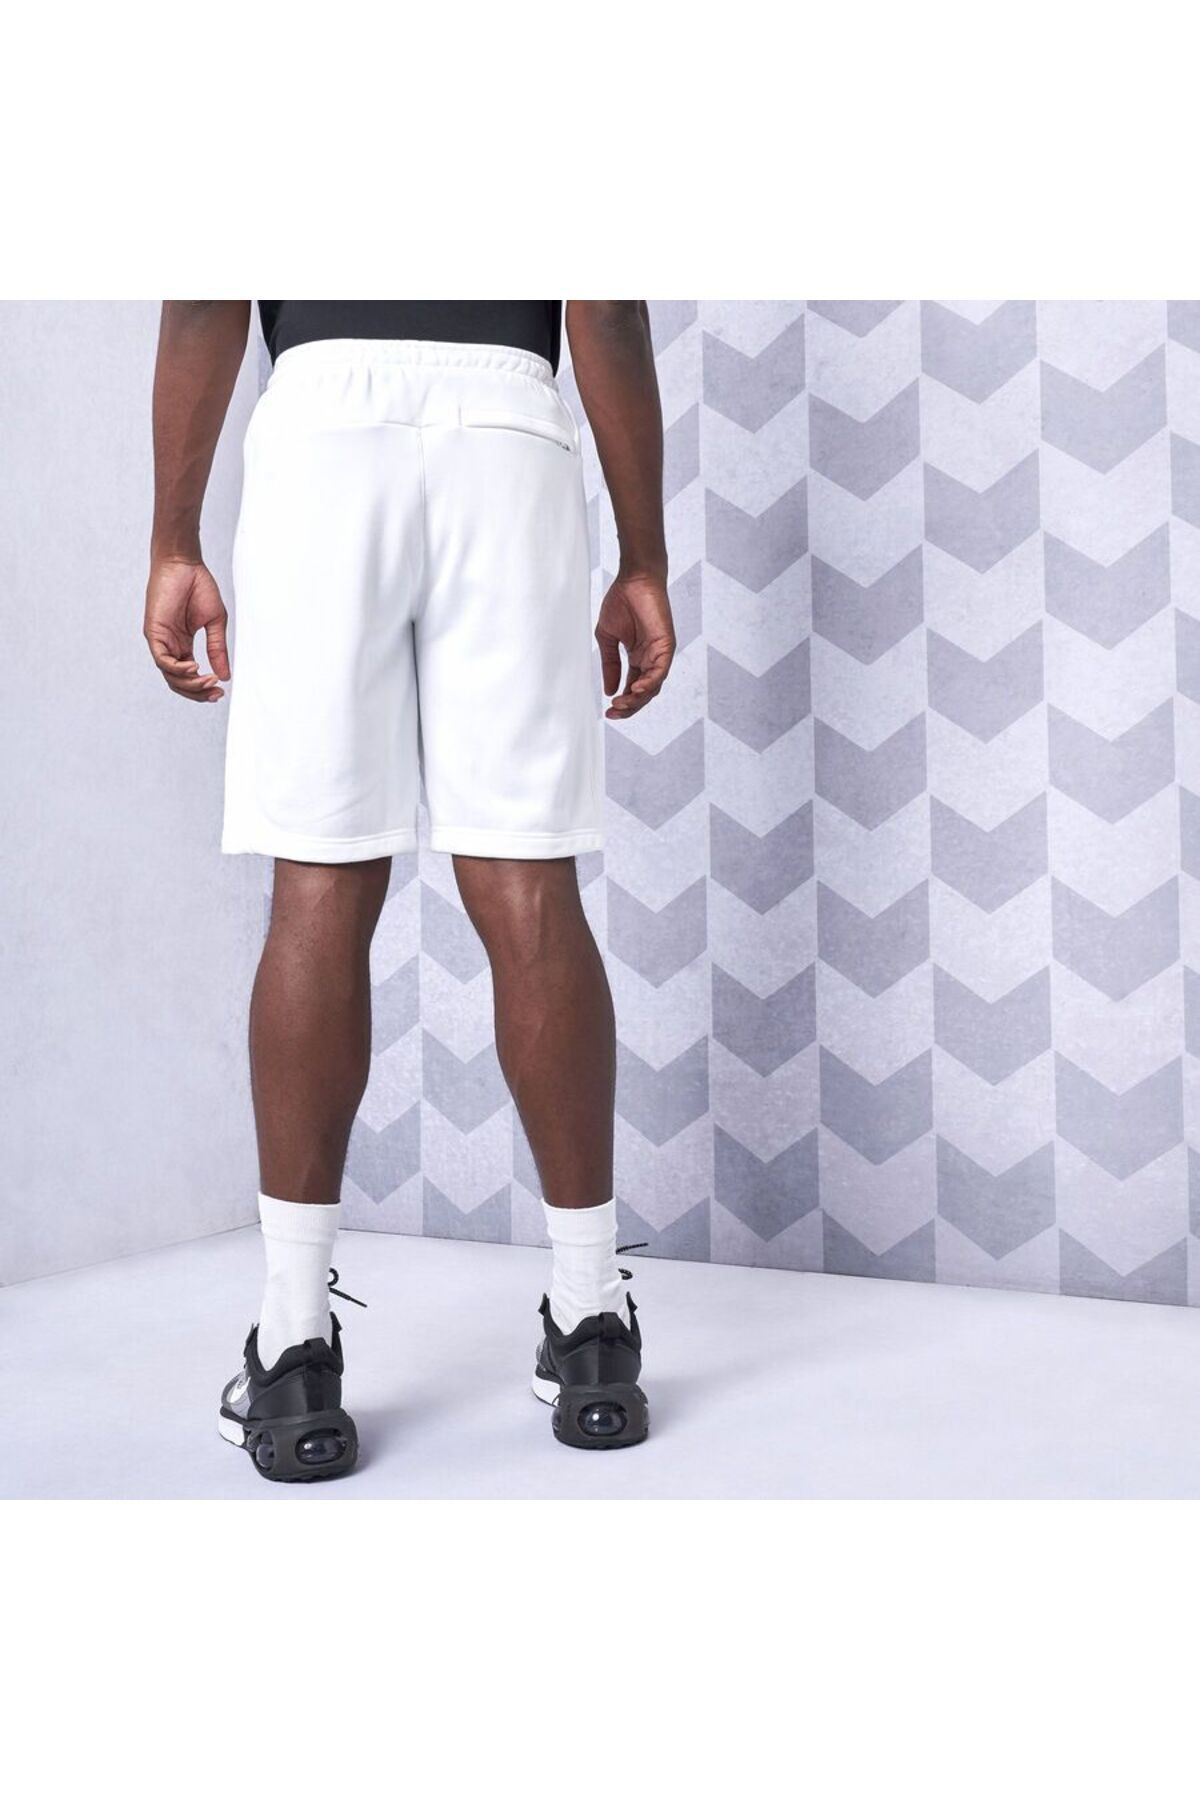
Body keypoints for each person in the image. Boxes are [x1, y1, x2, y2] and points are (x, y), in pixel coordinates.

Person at [143, 300, 673, 1480]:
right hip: (509, 434)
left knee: (320, 881)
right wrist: (643, 555)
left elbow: (204, 300)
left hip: (323, 433)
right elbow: (606, 311)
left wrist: (175, 539)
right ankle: (592, 1324)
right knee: (529, 883)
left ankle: (293, 1349)